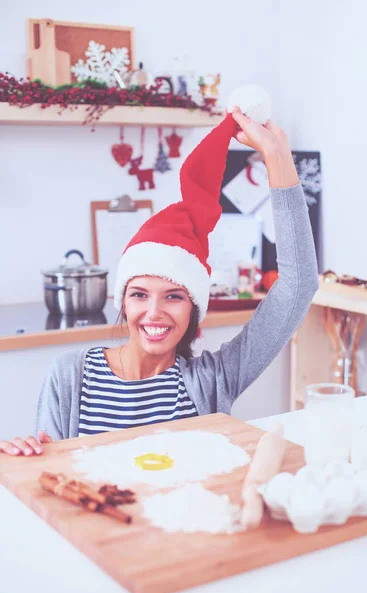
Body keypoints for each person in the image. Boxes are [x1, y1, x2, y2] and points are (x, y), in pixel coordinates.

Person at [0, 108, 319, 457]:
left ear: (194, 306)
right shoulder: (71, 376)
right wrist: (28, 454)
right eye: (139, 294)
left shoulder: (212, 380)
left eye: (173, 297)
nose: (154, 313)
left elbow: (299, 284)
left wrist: (276, 157)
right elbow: (50, 476)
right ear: (123, 301)